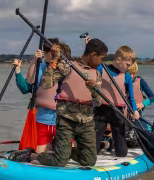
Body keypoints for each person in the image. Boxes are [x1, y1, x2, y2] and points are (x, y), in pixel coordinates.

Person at [11, 38, 107, 166]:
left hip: (86, 121)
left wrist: (93, 90)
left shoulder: (96, 73)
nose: (102, 62)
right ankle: (33, 155)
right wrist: (54, 61)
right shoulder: (68, 65)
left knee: (89, 161)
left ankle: (61, 150)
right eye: (101, 58)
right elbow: (46, 84)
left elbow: (98, 102)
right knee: (60, 161)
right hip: (66, 120)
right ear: (93, 55)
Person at [12, 38, 65, 153]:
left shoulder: (65, 67)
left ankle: (53, 149)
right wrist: (33, 62)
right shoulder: (41, 67)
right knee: (41, 150)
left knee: (62, 146)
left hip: (61, 116)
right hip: (42, 115)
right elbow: (27, 86)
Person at [95, 46, 140, 159]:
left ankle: (110, 142)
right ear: (119, 60)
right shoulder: (101, 68)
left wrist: (134, 110)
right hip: (101, 111)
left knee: (122, 153)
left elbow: (131, 98)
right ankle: (102, 144)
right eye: (128, 65)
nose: (129, 68)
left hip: (117, 113)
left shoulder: (127, 76)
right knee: (93, 150)